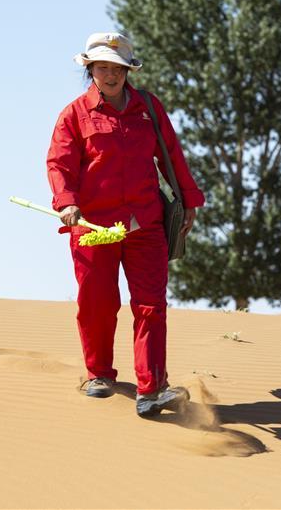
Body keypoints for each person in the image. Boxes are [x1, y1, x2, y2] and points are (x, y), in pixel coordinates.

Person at [46, 32, 206, 418]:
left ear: (127, 71)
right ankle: (99, 374)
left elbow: (172, 155)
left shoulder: (149, 108)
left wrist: (189, 200)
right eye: (102, 67)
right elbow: (59, 164)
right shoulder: (74, 114)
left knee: (151, 306)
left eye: (117, 68)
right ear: (90, 70)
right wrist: (66, 202)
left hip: (144, 225)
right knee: (98, 305)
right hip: (93, 228)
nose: (111, 74)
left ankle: (152, 389)